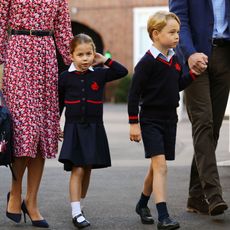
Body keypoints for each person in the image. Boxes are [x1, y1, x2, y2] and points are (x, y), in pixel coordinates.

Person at [0, 0, 73, 228]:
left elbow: (64, 32)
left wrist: (82, 65)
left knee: (41, 132)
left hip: (46, 57)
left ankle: (31, 202)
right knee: (25, 130)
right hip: (18, 55)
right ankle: (15, 192)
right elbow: (1, 24)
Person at [128, 11, 200, 230]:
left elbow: (175, 85)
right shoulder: (147, 62)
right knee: (160, 166)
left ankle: (142, 204)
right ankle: (164, 216)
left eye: (178, 32)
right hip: (150, 120)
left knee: (156, 166)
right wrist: (134, 123)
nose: (177, 36)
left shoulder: (175, 59)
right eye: (172, 32)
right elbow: (133, 94)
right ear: (156, 34)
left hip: (170, 119)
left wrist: (194, 74)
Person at [58, 33, 128, 229]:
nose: (85, 58)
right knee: (78, 168)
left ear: (94, 54)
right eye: (80, 55)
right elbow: (58, 104)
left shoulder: (99, 73)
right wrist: (56, 123)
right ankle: (75, 212)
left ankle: (80, 204)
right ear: (71, 55)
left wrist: (105, 60)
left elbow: (122, 71)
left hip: (94, 127)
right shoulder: (65, 78)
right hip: (74, 128)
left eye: (89, 54)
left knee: (87, 168)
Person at [169, 0, 229, 216]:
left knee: (212, 131)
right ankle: (214, 194)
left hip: (225, 56)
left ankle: (195, 196)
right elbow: (179, 22)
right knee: (203, 122)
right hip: (195, 57)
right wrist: (189, 53)